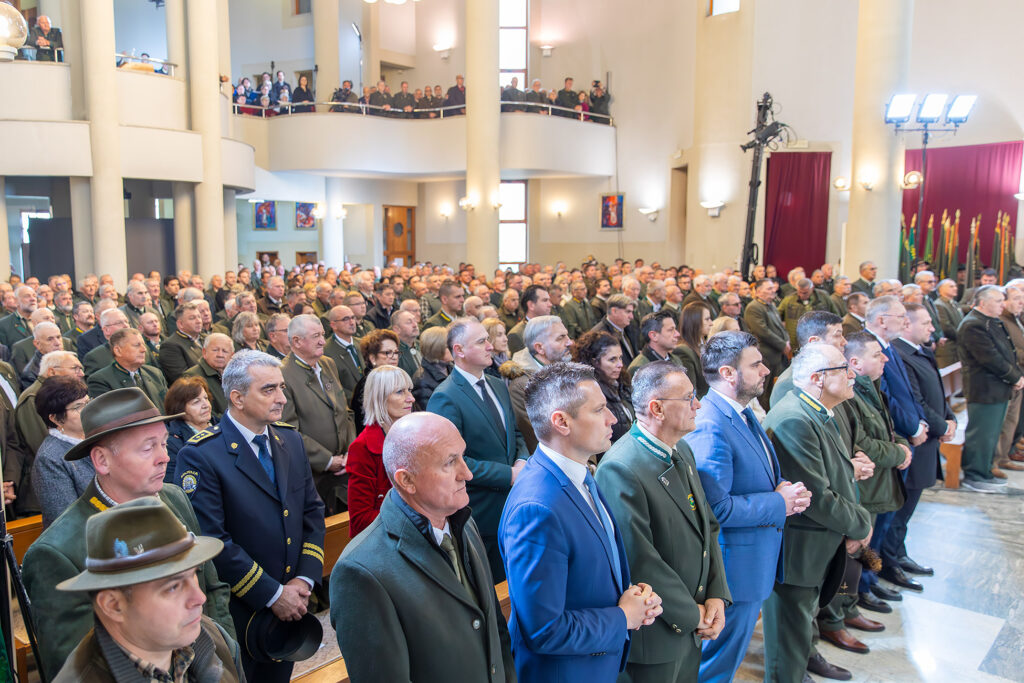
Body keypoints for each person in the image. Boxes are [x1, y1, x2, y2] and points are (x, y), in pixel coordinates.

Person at [22, 387, 235, 679]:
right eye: (148, 448)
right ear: (102, 460)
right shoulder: (58, 552)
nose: (164, 457)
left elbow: (212, 587)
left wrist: (224, 660)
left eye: (164, 443)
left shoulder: (173, 498)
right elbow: (76, 667)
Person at [499, 362, 664, 682]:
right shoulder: (538, 508)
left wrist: (633, 598)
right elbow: (544, 630)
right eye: (599, 409)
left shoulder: (579, 474)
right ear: (561, 421)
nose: (612, 418)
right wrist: (623, 617)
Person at [175, 351, 326, 683]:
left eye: (281, 387)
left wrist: (303, 580)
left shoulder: (289, 439)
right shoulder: (202, 455)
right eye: (269, 389)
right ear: (238, 398)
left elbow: (312, 512)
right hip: (243, 611)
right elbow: (212, 540)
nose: (282, 398)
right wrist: (273, 594)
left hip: (292, 603)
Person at [331, 412, 515, 681]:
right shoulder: (361, 571)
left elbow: (494, 629)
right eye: (449, 462)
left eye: (463, 456)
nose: (467, 473)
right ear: (407, 480)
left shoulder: (463, 522)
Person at [686, 331, 810, 683]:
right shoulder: (710, 424)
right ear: (728, 373)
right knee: (714, 667)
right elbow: (716, 508)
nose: (766, 370)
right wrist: (778, 502)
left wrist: (783, 488)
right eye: (756, 365)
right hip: (733, 571)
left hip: (752, 561)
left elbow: (755, 472)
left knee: (727, 661)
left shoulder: (739, 411)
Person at [595, 361, 731, 682]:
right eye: (688, 398)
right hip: (657, 630)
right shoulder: (621, 467)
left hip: (693, 620)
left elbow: (708, 527)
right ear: (657, 408)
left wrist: (716, 595)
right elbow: (639, 559)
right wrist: (692, 613)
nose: (698, 405)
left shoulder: (681, 449)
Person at [761, 344, 871, 683]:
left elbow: (835, 475)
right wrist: (860, 523)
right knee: (788, 641)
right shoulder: (796, 419)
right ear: (817, 378)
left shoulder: (818, 411)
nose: (852, 374)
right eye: (842, 369)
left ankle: (800, 669)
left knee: (800, 629)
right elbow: (817, 497)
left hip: (815, 544)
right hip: (798, 549)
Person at [52, 497, 243, 683]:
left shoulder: (215, 638)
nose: (199, 597)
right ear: (114, 605)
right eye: (173, 587)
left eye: (194, 574)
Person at [427, 318, 529, 580]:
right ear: (459, 350)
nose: (490, 346)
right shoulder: (446, 396)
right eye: (482, 341)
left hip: (516, 500)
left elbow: (516, 433)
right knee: (497, 585)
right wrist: (508, 474)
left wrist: (521, 461)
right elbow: (452, 460)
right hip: (482, 511)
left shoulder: (497, 384)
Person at [886, 306, 955, 583]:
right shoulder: (900, 355)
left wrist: (950, 419)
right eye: (926, 323)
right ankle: (890, 561)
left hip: (929, 437)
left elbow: (937, 391)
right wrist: (941, 426)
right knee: (900, 509)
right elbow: (915, 402)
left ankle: (898, 553)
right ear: (907, 325)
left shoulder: (921, 351)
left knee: (909, 507)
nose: (932, 328)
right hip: (917, 438)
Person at [281, 314, 356, 514]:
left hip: (344, 467)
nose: (323, 341)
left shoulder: (328, 363)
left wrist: (350, 451)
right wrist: (328, 461)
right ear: (297, 341)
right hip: (313, 476)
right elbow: (288, 431)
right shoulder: (283, 375)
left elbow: (346, 413)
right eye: (316, 336)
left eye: (323, 334)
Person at [346, 365, 415, 537]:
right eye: (400, 392)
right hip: (388, 542)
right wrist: (416, 515)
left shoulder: (416, 435)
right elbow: (360, 520)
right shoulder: (362, 448)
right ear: (380, 398)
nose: (411, 398)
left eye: (409, 390)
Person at [504, 315, 574, 451]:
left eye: (567, 335)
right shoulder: (523, 386)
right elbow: (543, 438)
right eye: (560, 338)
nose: (569, 342)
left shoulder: (564, 369)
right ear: (540, 348)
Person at [30, 376, 92, 527]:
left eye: (88, 402)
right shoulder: (49, 458)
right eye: (78, 407)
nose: (88, 410)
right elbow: (64, 519)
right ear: (55, 419)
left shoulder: (97, 436)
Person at [572, 330, 634, 449]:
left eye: (620, 358)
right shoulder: (590, 394)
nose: (620, 364)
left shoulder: (622, 383)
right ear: (594, 362)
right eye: (612, 359)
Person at [86, 328, 168, 409]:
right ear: (118, 351)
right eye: (137, 345)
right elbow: (110, 414)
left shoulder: (155, 373)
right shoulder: (101, 381)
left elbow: (169, 407)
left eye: (144, 345)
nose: (144, 349)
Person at [745, 278, 790, 409]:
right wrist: (783, 345)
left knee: (775, 389)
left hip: (778, 354)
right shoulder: (754, 308)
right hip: (766, 355)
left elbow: (781, 327)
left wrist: (787, 341)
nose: (773, 291)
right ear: (758, 291)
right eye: (769, 288)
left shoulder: (771, 305)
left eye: (773, 288)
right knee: (765, 392)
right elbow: (763, 332)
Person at [164, 376, 218, 484]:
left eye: (206, 398)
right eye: (196, 402)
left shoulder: (222, 425)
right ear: (180, 408)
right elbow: (175, 485)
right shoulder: (173, 443)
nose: (206, 405)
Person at [351, 328, 401, 434]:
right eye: (388, 353)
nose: (394, 357)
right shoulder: (366, 386)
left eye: (396, 352)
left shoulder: (399, 379)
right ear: (373, 358)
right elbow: (366, 424)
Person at [181, 332, 233, 417]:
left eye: (225, 351)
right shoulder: (192, 376)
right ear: (204, 352)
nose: (220, 355)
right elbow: (200, 412)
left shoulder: (236, 375)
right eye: (215, 350)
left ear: (232, 355)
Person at [626, 310, 682, 380]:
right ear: (654, 336)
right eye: (671, 330)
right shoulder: (640, 368)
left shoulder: (676, 360)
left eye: (675, 329)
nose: (677, 334)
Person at [323, 305, 363, 396]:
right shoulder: (326, 351)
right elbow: (333, 386)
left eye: (353, 317)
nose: (352, 322)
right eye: (346, 319)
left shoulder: (362, 343)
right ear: (333, 325)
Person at [159, 301, 204, 384]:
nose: (198, 321)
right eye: (192, 318)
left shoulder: (206, 338)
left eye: (199, 317)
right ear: (180, 324)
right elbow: (182, 379)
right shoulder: (170, 346)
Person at [412, 326, 451, 409]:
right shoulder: (422, 381)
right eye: (448, 347)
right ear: (436, 349)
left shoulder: (451, 367)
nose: (453, 348)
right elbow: (432, 412)